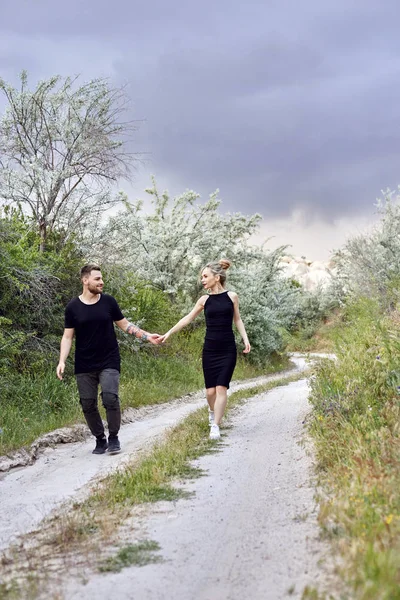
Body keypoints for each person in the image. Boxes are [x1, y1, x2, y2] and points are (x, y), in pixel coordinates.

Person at [56, 264, 160, 455]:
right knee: (87, 403)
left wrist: (146, 336)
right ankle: (100, 439)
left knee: (110, 398)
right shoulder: (72, 307)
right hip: (84, 363)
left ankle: (113, 437)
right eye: (97, 279)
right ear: (85, 280)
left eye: (102, 279)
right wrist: (62, 360)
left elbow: (125, 325)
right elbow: (67, 337)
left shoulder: (108, 302)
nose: (102, 282)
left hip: (109, 360)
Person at [160, 259, 250, 439]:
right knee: (210, 392)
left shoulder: (232, 297)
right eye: (202, 277)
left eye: (205, 276)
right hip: (210, 349)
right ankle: (212, 411)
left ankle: (215, 426)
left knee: (221, 388)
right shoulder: (204, 300)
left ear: (217, 278)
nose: (202, 280)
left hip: (227, 349)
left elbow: (237, 319)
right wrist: (168, 333)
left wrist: (245, 339)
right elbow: (187, 319)